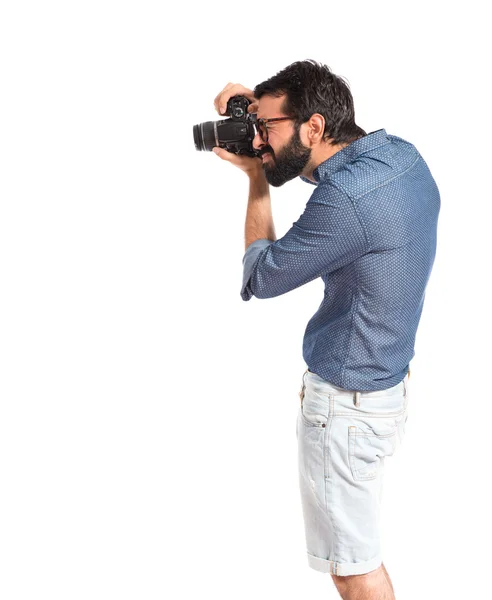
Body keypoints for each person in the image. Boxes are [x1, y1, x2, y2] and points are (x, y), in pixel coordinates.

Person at [212, 59, 440, 600]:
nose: (259, 141)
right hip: (385, 393)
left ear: (315, 127)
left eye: (266, 128)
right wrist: (261, 111)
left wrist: (255, 179)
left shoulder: (342, 202)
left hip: (344, 412)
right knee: (356, 554)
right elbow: (324, 171)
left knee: (353, 569)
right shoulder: (401, 156)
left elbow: (261, 278)